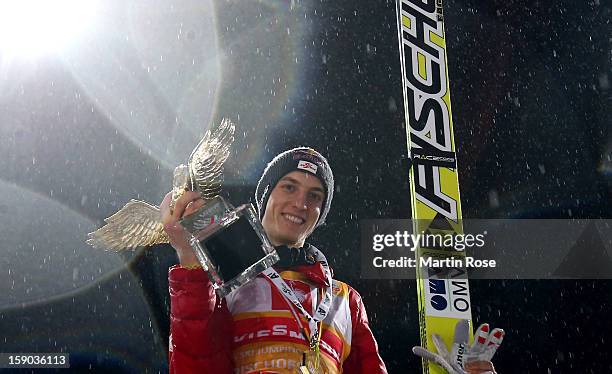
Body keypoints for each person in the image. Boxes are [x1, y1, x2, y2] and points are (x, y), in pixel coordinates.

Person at [162, 147, 387, 374]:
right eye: (289, 187)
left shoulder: (344, 300)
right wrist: (189, 256)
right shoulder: (222, 283)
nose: (301, 204)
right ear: (266, 195)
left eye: (314, 195)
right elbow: (195, 365)